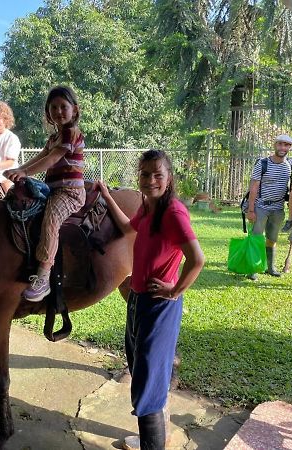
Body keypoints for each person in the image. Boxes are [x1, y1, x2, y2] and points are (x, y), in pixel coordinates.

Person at [96, 149, 204, 450]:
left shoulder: (173, 213)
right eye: (145, 174)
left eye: (158, 174)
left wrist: (174, 290)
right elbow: (128, 226)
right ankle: (149, 439)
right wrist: (106, 194)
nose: (151, 179)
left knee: (148, 387)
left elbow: (197, 259)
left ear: (169, 179)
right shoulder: (147, 207)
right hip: (139, 300)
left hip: (160, 307)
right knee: (142, 371)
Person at [4, 86, 86, 302]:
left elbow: (52, 159)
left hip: (70, 193)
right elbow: (41, 156)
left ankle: (44, 276)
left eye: (63, 106)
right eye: (54, 107)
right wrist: (20, 171)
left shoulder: (71, 133)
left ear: (74, 110)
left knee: (51, 220)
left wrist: (24, 172)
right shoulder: (54, 137)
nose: (59, 111)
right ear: (48, 112)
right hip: (53, 190)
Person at [246, 135, 292, 280]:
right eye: (280, 144)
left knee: (272, 239)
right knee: (256, 238)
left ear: (290, 148)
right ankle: (253, 268)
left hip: (278, 209)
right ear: (275, 145)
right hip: (261, 206)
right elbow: (254, 187)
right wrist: (251, 210)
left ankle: (270, 268)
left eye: (286, 145)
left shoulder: (290, 164)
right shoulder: (263, 163)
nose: (283, 148)